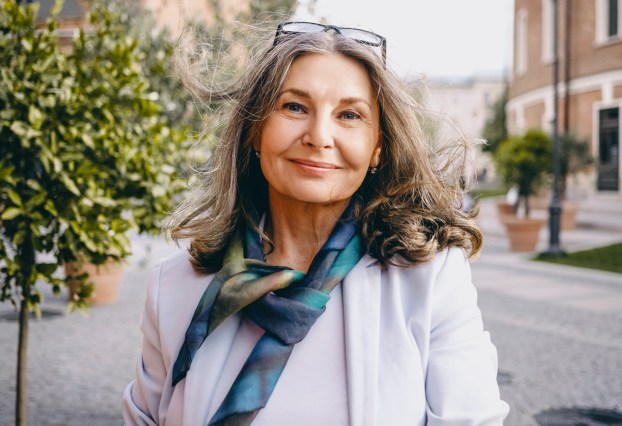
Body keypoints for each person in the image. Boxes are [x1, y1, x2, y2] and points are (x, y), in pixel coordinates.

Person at [122, 21, 509, 425]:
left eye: (349, 115)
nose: (319, 135)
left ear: (377, 147)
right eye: (294, 107)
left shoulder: (430, 280)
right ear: (256, 130)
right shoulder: (174, 287)